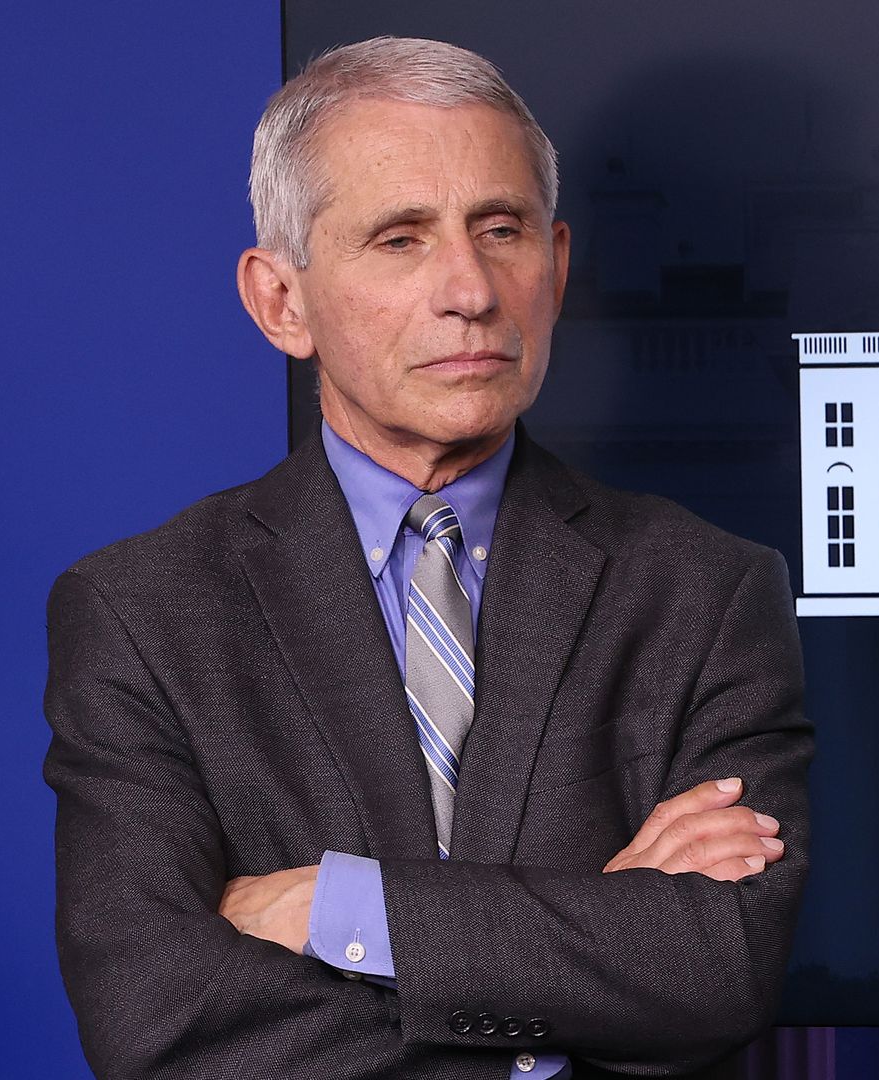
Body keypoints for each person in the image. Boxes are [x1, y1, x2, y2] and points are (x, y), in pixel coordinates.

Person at [42, 36, 811, 1079]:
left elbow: (717, 965)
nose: (471, 289)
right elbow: (158, 1015)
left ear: (560, 265)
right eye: (400, 239)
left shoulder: (707, 590)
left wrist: (337, 908)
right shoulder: (142, 611)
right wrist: (569, 1001)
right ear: (282, 303)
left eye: (502, 229)